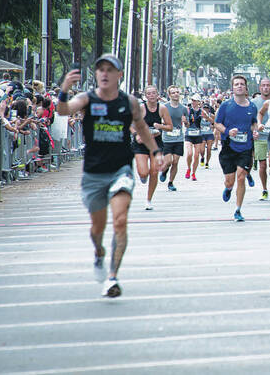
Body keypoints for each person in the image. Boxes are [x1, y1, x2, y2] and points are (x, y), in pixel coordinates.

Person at [57, 54, 163, 298]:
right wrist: (64, 88)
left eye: (110, 70)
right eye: (100, 70)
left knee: (120, 221)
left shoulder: (130, 102)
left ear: (119, 75)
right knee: (97, 229)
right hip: (94, 173)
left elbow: (143, 128)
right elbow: (63, 111)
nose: (104, 74)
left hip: (120, 170)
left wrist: (155, 152)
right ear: (96, 74)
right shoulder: (87, 99)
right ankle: (99, 252)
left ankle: (112, 277)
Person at [215, 75, 259, 222]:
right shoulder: (226, 105)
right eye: (236, 84)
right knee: (230, 181)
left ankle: (238, 210)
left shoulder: (252, 106)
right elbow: (217, 124)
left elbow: (253, 123)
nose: (239, 86)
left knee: (241, 177)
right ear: (232, 88)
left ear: (246, 88)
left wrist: (255, 130)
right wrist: (228, 131)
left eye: (242, 84)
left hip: (245, 147)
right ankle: (228, 189)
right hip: (228, 146)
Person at [130, 85, 172, 211]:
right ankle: (143, 176)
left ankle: (149, 199)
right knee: (143, 172)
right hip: (141, 143)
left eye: (154, 93)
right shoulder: (141, 108)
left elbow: (170, 127)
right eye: (149, 93)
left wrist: (160, 126)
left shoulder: (162, 108)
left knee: (154, 171)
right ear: (145, 96)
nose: (152, 95)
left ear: (157, 95)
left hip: (156, 143)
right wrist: (136, 134)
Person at [159, 85, 188, 192]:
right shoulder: (164, 107)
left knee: (175, 162)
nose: (176, 94)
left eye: (177, 92)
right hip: (167, 139)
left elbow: (188, 124)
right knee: (168, 162)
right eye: (173, 92)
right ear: (169, 95)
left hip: (179, 138)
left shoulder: (184, 108)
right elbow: (159, 120)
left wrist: (186, 122)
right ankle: (164, 171)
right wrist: (163, 124)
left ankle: (171, 182)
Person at [251, 77, 270, 200]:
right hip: (260, 137)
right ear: (260, 88)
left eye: (268, 85)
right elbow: (251, 119)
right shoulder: (254, 102)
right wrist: (254, 131)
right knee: (262, 165)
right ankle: (264, 189)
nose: (265, 87)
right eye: (263, 85)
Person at [184, 94, 205, 181]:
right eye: (192, 100)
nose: (193, 102)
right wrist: (185, 122)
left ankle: (193, 173)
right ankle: (188, 168)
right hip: (189, 134)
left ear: (198, 102)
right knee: (189, 153)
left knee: (196, 156)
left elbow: (209, 120)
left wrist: (205, 121)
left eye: (195, 100)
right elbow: (186, 123)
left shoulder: (202, 112)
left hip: (198, 135)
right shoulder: (188, 110)